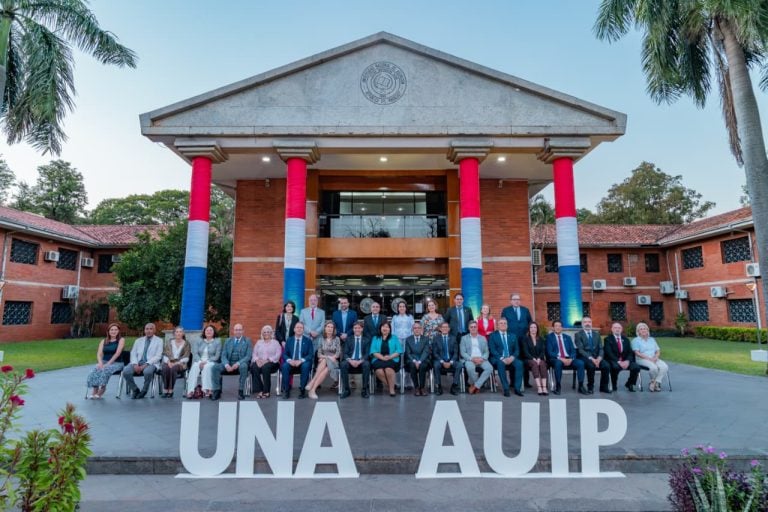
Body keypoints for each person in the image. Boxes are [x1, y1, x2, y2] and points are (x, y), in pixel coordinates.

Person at [211, 323, 252, 401]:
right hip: (228, 363)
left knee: (244, 366)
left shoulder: (247, 341)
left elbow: (248, 356)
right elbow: (223, 355)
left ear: (243, 331)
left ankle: (240, 391)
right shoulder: (228, 340)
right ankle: (217, 391)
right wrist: (226, 365)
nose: (238, 331)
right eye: (236, 330)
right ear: (233, 331)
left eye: (240, 330)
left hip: (240, 363)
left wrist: (238, 363)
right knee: (215, 367)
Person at [121, 323, 163, 399]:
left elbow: (158, 356)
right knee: (126, 371)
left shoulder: (159, 341)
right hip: (137, 362)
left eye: (151, 329)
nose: (148, 331)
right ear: (144, 330)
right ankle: (135, 390)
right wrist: (134, 364)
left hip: (151, 363)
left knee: (148, 372)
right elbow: (133, 353)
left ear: (154, 330)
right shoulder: (138, 340)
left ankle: (144, 391)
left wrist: (146, 364)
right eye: (147, 329)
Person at [501, 293, 534, 388]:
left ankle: (526, 381)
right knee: (513, 359)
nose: (516, 301)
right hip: (511, 339)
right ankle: (512, 382)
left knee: (525, 359)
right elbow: (503, 324)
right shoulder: (506, 310)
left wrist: (528, 335)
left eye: (518, 299)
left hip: (524, 339)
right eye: (514, 299)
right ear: (511, 301)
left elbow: (530, 323)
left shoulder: (525, 310)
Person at [546, 320, 586, 395]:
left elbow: (573, 350)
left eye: (559, 326)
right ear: (553, 328)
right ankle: (558, 386)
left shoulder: (567, 337)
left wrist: (571, 359)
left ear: (562, 328)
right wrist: (561, 358)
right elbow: (549, 352)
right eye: (556, 326)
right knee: (558, 363)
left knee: (580, 363)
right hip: (556, 359)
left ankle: (581, 386)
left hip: (569, 358)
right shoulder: (549, 337)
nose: (558, 327)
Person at [86, 323, 125, 399]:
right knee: (95, 369)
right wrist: (100, 363)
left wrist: (108, 364)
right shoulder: (103, 341)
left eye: (116, 330)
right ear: (108, 331)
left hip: (117, 363)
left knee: (105, 370)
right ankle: (95, 390)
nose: (113, 331)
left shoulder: (121, 340)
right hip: (104, 361)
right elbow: (99, 353)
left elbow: (117, 353)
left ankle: (102, 388)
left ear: (118, 331)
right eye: (112, 330)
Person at [574, 316, 610, 394]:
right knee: (591, 366)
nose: (587, 324)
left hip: (597, 357)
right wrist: (591, 359)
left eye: (589, 322)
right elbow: (580, 350)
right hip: (585, 357)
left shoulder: (596, 334)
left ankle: (603, 387)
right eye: (585, 322)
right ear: (582, 324)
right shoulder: (578, 335)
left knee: (606, 365)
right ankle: (590, 387)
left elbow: (601, 348)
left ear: (591, 323)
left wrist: (599, 358)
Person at [488, 317, 524, 397]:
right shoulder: (493, 336)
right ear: (497, 326)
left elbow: (517, 350)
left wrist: (512, 357)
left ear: (507, 325)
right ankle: (506, 388)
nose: (503, 325)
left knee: (519, 364)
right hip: (498, 358)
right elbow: (492, 350)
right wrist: (502, 358)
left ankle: (517, 388)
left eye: (505, 323)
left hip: (510, 357)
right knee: (500, 364)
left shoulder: (513, 336)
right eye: (501, 323)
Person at [305, 320, 341, 399]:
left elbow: (338, 353)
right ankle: (312, 389)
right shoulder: (321, 339)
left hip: (334, 361)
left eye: (332, 327)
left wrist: (326, 357)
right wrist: (327, 357)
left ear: (334, 329)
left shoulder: (337, 339)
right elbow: (319, 354)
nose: (330, 329)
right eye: (328, 327)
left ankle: (312, 385)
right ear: (325, 328)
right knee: (326, 366)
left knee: (325, 362)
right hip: (325, 361)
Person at [631, 322, 669, 392]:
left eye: (645, 329)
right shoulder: (635, 340)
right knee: (653, 367)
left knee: (664, 367)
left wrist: (656, 357)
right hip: (641, 359)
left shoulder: (652, 339)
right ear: (638, 331)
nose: (643, 330)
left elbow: (658, 350)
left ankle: (655, 383)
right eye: (641, 329)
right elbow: (637, 353)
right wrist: (649, 359)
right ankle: (655, 384)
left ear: (647, 330)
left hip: (654, 358)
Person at [186, 324, 221, 398]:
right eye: (207, 330)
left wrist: (207, 362)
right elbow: (195, 353)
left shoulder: (217, 341)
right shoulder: (198, 340)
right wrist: (200, 362)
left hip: (211, 361)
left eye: (211, 330)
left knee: (207, 367)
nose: (209, 331)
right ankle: (190, 391)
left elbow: (217, 356)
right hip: (199, 361)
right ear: (204, 332)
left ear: (214, 332)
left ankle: (206, 389)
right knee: (194, 368)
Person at [603, 322, 640, 392]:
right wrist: (619, 362)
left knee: (636, 367)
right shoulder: (607, 339)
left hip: (625, 360)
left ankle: (630, 383)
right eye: (615, 328)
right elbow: (609, 353)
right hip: (614, 360)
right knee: (615, 367)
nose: (617, 329)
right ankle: (614, 384)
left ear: (622, 329)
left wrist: (627, 361)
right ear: (612, 329)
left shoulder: (626, 339)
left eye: (619, 328)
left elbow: (630, 352)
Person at [281, 322, 313, 399]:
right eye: (297, 327)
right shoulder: (289, 340)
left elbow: (310, 355)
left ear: (303, 330)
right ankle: (286, 390)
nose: (299, 329)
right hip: (291, 362)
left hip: (302, 362)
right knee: (285, 366)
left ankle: (302, 389)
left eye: (301, 328)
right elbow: (284, 354)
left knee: (306, 366)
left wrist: (301, 360)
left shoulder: (308, 341)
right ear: (294, 329)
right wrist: (290, 360)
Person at [459, 320, 493, 394]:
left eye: (475, 327)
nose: (473, 328)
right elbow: (463, 352)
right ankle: (477, 385)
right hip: (469, 359)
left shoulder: (483, 338)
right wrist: (472, 358)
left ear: (477, 328)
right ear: (469, 328)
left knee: (489, 368)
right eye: (471, 327)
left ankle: (475, 386)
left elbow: (486, 351)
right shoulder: (464, 338)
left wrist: (482, 358)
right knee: (470, 368)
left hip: (481, 359)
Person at [370, 321, 402, 396]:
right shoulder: (375, 338)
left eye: (387, 327)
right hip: (378, 359)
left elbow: (399, 350)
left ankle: (391, 390)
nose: (385, 328)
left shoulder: (394, 337)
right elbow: (373, 351)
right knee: (379, 371)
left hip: (392, 359)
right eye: (383, 326)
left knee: (388, 369)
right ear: (380, 328)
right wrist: (382, 358)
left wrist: (389, 357)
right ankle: (391, 385)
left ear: (390, 329)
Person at [340, 321, 371, 399]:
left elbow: (367, 354)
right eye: (355, 328)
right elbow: (345, 353)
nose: (357, 329)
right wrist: (351, 361)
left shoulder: (366, 340)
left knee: (367, 364)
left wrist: (360, 361)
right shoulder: (348, 339)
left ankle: (364, 389)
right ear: (353, 329)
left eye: (359, 328)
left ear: (362, 329)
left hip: (361, 361)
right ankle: (346, 390)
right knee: (343, 364)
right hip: (350, 361)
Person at [430, 321, 462, 395]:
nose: (445, 329)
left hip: (451, 360)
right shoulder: (436, 339)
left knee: (459, 365)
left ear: (449, 329)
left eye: (446, 327)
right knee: (436, 365)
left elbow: (456, 352)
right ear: (440, 329)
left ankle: (454, 386)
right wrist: (442, 361)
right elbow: (435, 353)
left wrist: (450, 362)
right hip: (440, 360)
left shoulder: (453, 338)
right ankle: (438, 386)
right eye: (443, 327)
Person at [250, 325, 281, 398]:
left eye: (268, 332)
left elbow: (278, 354)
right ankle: (260, 390)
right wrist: (257, 360)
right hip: (260, 361)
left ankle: (266, 391)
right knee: (254, 367)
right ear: (262, 333)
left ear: (271, 333)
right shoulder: (259, 342)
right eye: (264, 332)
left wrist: (268, 360)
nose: (266, 333)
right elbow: (254, 353)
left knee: (265, 367)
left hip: (272, 363)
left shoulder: (275, 343)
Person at [160, 326, 191, 398]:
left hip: (180, 363)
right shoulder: (169, 342)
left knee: (173, 369)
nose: (178, 333)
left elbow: (186, 357)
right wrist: (168, 362)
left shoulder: (186, 344)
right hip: (168, 361)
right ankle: (165, 389)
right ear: (174, 333)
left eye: (180, 332)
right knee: (165, 368)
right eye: (177, 332)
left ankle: (170, 390)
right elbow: (165, 354)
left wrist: (176, 363)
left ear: (183, 333)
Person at [521, 322, 549, 396]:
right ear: (529, 329)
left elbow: (543, 351)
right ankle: (539, 387)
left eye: (535, 327)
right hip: (528, 359)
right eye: (531, 327)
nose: (533, 329)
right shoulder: (525, 339)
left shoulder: (541, 339)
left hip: (539, 359)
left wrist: (539, 358)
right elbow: (525, 352)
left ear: (537, 329)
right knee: (534, 364)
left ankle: (544, 387)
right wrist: (533, 358)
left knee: (543, 364)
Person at [404, 321, 430, 396]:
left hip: (423, 360)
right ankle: (416, 387)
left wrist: (420, 361)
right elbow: (408, 353)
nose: (417, 329)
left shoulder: (425, 339)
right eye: (415, 328)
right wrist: (415, 361)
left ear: (421, 329)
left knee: (423, 366)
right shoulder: (408, 339)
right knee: (412, 365)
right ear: (412, 329)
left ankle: (422, 387)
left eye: (419, 328)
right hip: (412, 360)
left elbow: (426, 352)